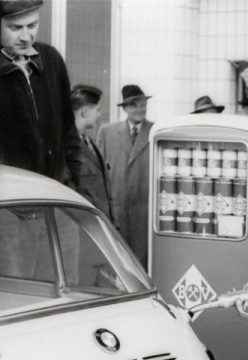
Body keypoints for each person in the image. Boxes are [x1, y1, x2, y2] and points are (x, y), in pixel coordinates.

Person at [0, 0, 80, 184]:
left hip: (54, 191)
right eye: (16, 28)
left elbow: (68, 128)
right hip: (10, 195)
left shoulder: (51, 59)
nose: (26, 37)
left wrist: (72, 179)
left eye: (32, 25)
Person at [97, 84, 154, 268]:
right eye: (134, 105)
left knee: (143, 265)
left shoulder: (156, 131)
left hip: (145, 214)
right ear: (125, 108)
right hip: (117, 213)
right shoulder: (107, 133)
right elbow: (100, 174)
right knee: (118, 264)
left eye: (143, 104)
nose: (140, 109)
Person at [71, 84, 112, 219]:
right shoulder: (67, 146)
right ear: (84, 112)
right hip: (85, 226)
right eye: (97, 110)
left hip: (101, 223)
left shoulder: (89, 142)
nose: (99, 114)